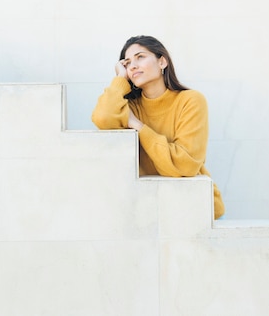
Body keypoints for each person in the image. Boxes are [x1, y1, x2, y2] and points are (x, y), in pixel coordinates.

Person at [91, 35, 225, 220]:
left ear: (162, 62)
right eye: (127, 63)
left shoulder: (190, 101)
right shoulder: (130, 107)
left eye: (140, 57)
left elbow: (184, 166)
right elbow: (102, 118)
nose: (133, 66)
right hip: (150, 213)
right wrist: (120, 79)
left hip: (196, 209)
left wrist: (138, 126)